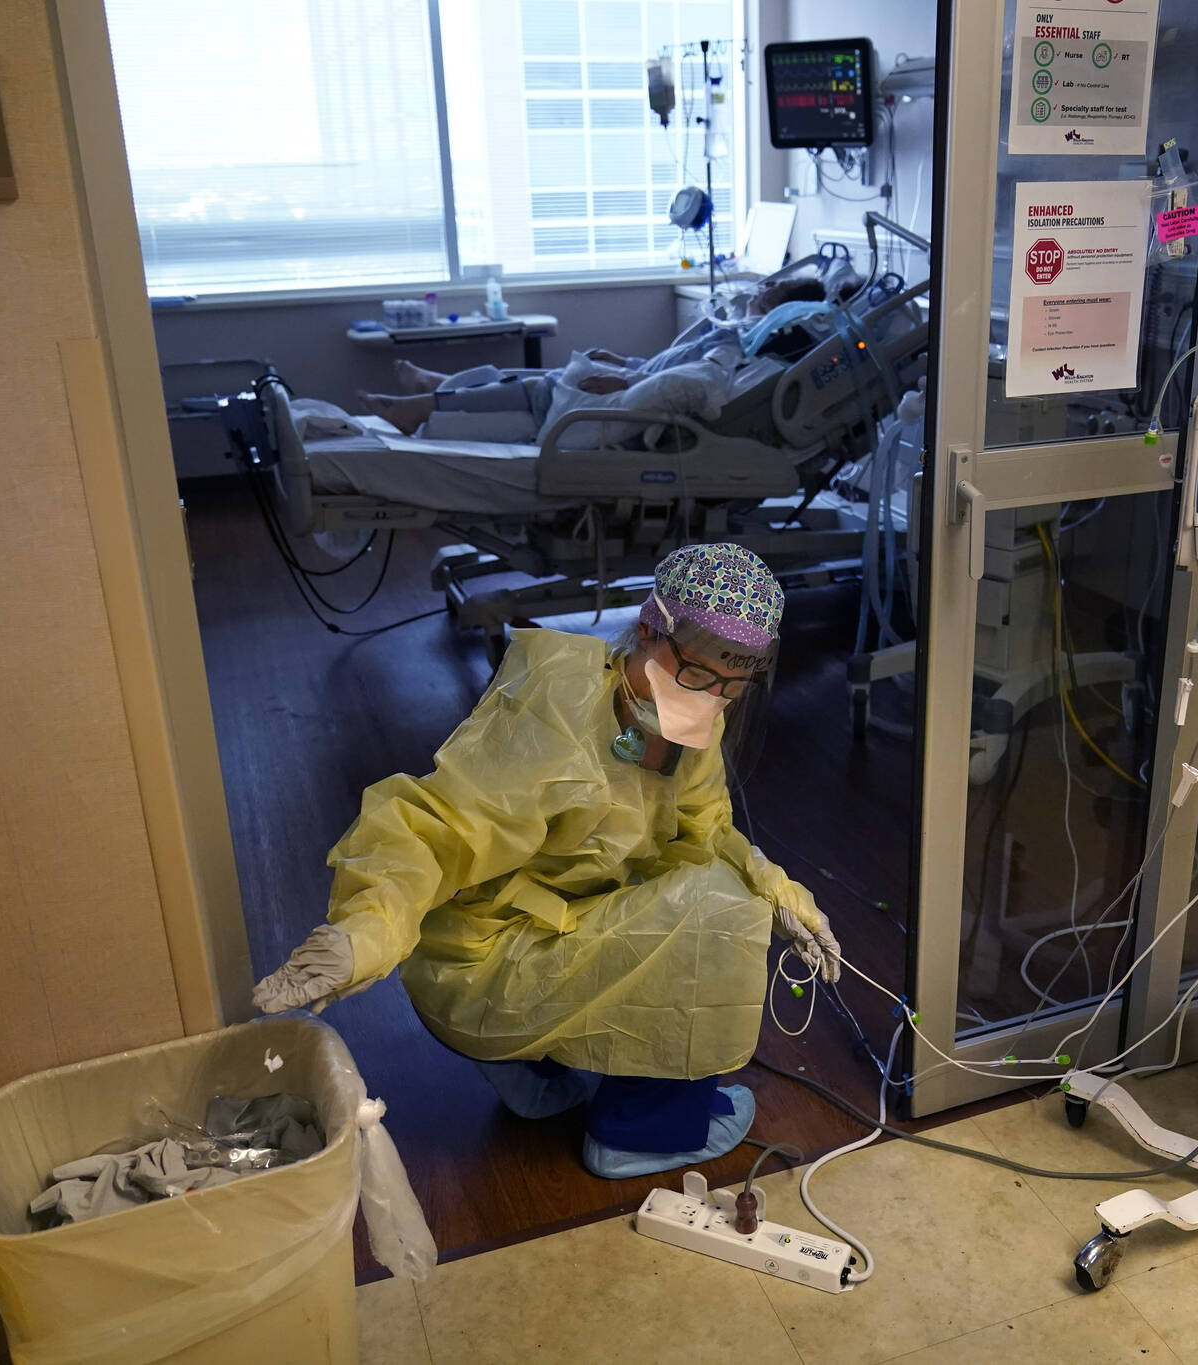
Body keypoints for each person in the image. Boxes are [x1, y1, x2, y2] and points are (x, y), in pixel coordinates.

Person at [253, 543, 842, 1179]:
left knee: (720, 886)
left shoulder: (685, 711)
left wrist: (776, 888)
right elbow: (433, 831)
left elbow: (702, 834)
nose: (712, 699)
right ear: (648, 629)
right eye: (700, 674)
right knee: (718, 918)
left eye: (736, 683)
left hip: (536, 932)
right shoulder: (553, 716)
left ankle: (533, 1071)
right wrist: (363, 932)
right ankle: (643, 1131)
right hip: (478, 964)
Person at [358, 264, 861, 444]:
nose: (757, 290)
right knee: (543, 381)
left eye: (769, 290)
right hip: (633, 382)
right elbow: (672, 366)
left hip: (637, 412)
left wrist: (626, 385)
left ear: (783, 310)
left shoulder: (740, 350)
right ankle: (435, 392)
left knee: (538, 390)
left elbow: (698, 385)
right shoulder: (732, 334)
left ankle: (427, 404)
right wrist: (625, 364)